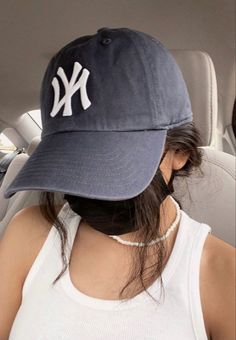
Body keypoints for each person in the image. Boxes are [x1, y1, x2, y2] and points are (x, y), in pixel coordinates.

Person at [0, 27, 235, 340]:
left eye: (109, 168)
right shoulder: (29, 231)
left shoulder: (220, 274)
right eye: (71, 165)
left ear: (180, 153)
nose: (87, 186)